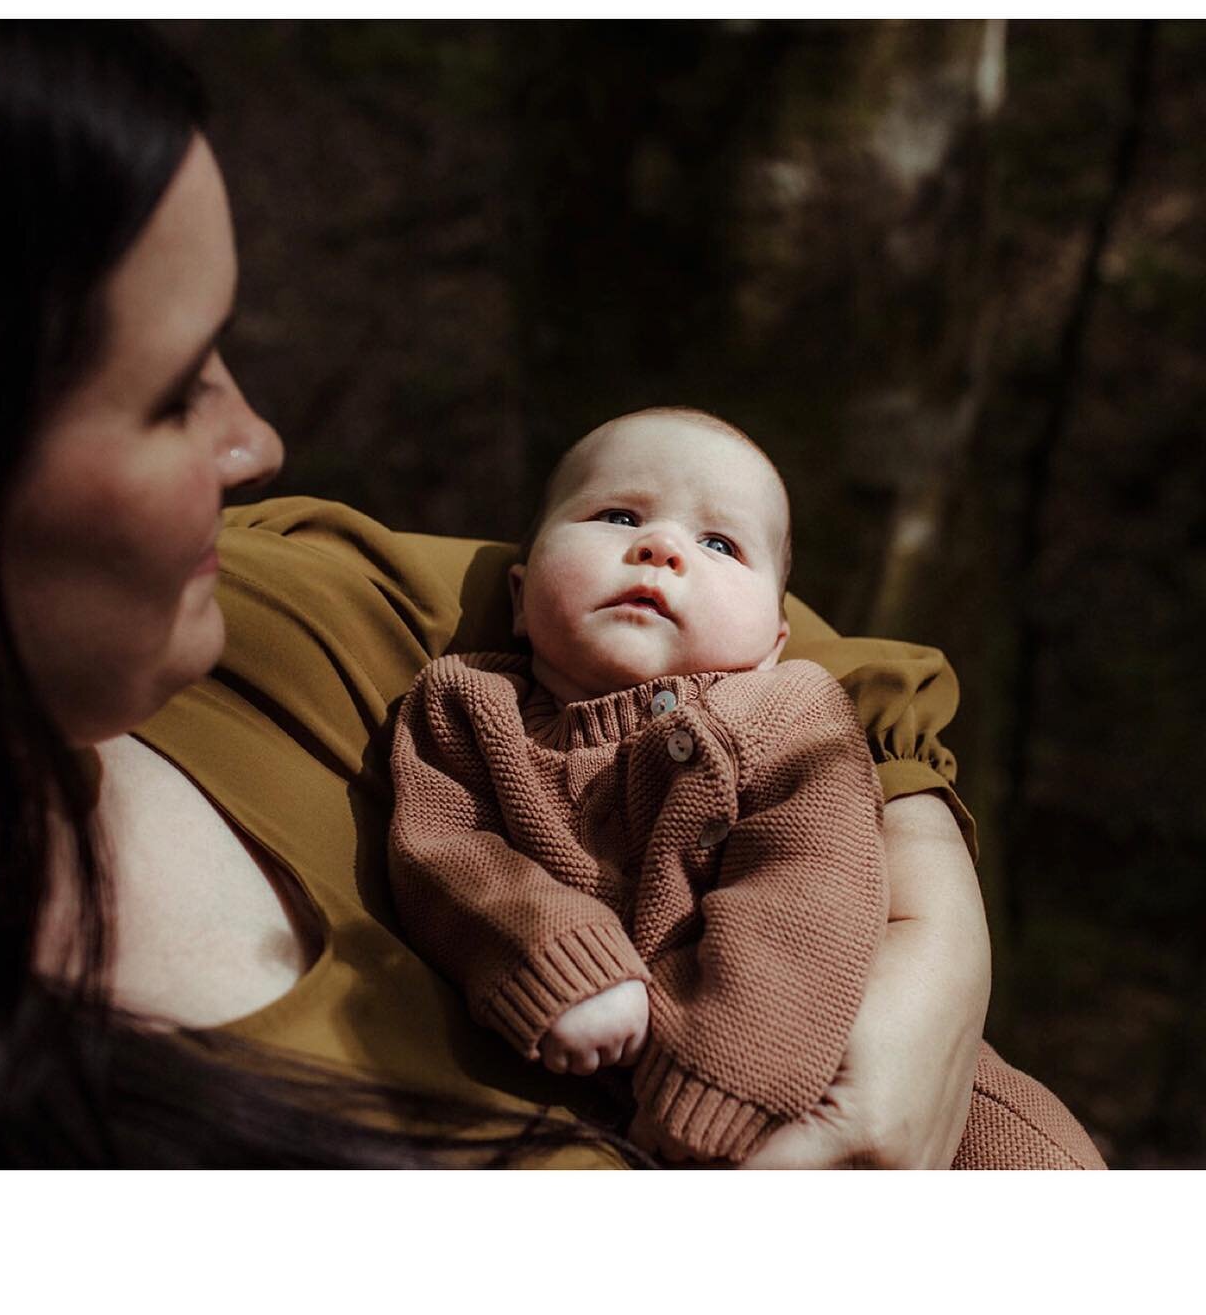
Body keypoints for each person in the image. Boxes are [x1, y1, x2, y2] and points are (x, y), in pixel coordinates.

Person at [0, 19, 1060, 1167]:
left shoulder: (290, 610)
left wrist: (932, 950)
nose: (256, 442)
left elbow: (824, 667)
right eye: (175, 395)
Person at [388, 408, 1105, 1167]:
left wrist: (719, 1084)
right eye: (618, 514)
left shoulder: (789, 711)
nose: (660, 548)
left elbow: (808, 889)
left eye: (719, 544)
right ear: (520, 595)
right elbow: (443, 854)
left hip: (868, 1079)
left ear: (774, 641)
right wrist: (554, 958)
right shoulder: (463, 704)